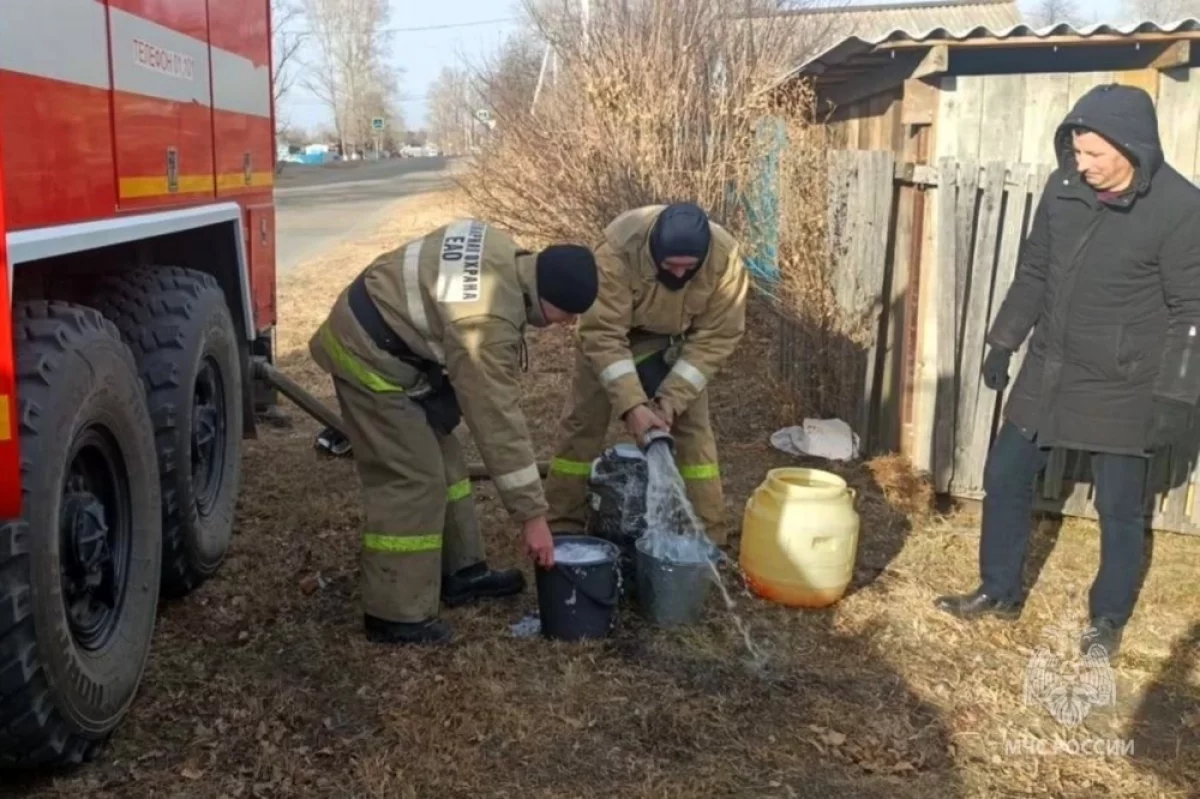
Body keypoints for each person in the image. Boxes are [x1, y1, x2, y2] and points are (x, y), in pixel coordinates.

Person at [934, 84, 1200, 660]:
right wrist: (1005, 340)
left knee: (1119, 507)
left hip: (1125, 380)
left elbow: (1191, 311)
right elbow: (1034, 269)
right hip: (1051, 366)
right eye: (1076, 152)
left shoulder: (1181, 209)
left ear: (1133, 148)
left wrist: (1176, 396)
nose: (1082, 165)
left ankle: (1106, 619)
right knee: (1005, 475)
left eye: (1094, 155)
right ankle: (998, 591)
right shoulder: (1063, 188)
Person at [309, 218, 599, 646]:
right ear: (547, 297)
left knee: (448, 463)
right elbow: (497, 420)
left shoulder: (505, 252)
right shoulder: (488, 320)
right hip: (366, 356)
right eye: (566, 314)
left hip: (397, 344)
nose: (567, 323)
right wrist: (533, 517)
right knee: (414, 479)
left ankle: (462, 572)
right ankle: (395, 612)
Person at [544, 202, 749, 546]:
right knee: (583, 424)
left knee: (694, 434)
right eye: (672, 267)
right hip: (613, 336)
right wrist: (632, 406)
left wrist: (670, 400)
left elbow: (717, 336)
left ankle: (706, 534)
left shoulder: (725, 259)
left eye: (690, 269)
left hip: (676, 341)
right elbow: (602, 333)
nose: (681, 276)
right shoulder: (618, 250)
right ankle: (563, 520)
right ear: (654, 252)